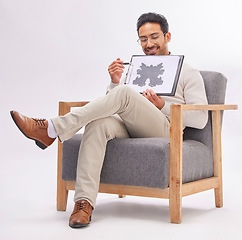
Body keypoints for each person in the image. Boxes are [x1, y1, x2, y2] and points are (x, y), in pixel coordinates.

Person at [10, 12, 208, 228]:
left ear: (167, 36)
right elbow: (110, 106)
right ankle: (83, 202)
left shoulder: (189, 72)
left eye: (154, 37)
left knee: (124, 93)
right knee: (98, 123)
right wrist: (114, 82)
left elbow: (201, 118)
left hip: (165, 128)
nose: (148, 44)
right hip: (130, 124)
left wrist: (163, 106)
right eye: (143, 39)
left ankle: (52, 129)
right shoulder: (134, 70)